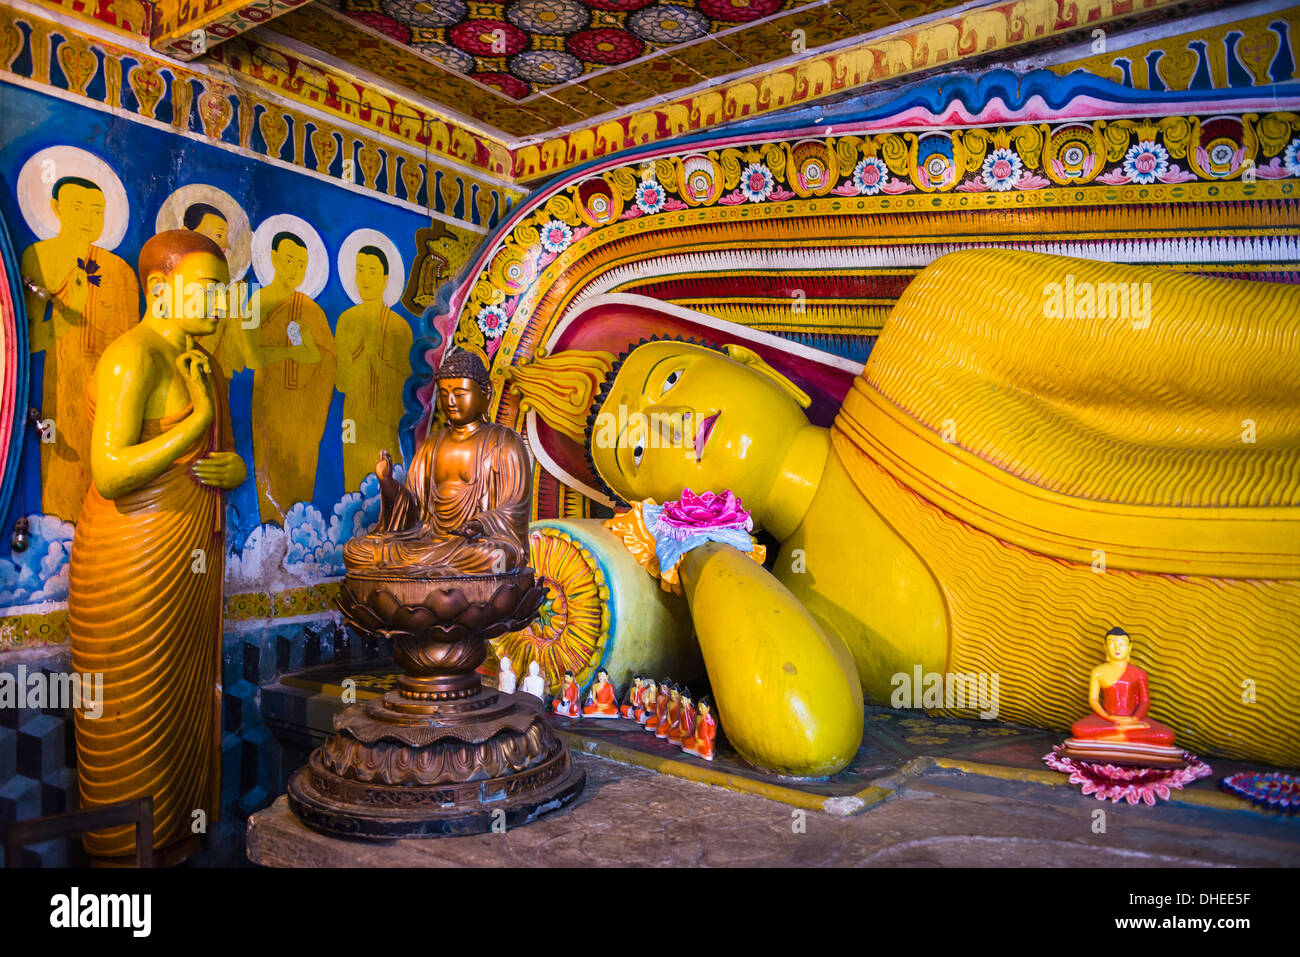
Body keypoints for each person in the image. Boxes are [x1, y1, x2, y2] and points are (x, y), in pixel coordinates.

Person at [68, 229, 245, 862]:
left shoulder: (206, 366)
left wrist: (231, 468)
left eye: (225, 292)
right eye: (207, 290)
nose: (220, 304)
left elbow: (217, 458)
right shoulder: (131, 357)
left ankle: (174, 843)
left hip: (189, 562)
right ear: (160, 290)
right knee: (129, 717)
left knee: (183, 711)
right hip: (128, 563)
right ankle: (121, 861)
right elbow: (111, 472)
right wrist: (195, 424)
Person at [342, 349, 529, 576]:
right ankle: (434, 573)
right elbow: (413, 512)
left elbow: (513, 508)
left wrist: (479, 524)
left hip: (472, 545)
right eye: (444, 393)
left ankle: (429, 573)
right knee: (356, 551)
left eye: (460, 393)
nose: (450, 401)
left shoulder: (505, 443)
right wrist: (387, 481)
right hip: (427, 541)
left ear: (486, 394)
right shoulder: (432, 445)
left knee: (497, 557)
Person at [22, 175, 140, 521]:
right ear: (56, 209)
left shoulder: (120, 271)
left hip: (112, 399)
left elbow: (133, 350)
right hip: (61, 391)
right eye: (78, 208)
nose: (88, 219)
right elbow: (24, 341)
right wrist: (65, 315)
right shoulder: (40, 256)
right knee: (60, 466)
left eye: (97, 211)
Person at [237, 231, 336, 523]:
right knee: (269, 465)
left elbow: (324, 357)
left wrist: (307, 350)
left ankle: (298, 532)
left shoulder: (312, 310)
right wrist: (290, 352)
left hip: (303, 413)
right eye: (289, 260)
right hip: (269, 403)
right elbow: (253, 356)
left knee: (301, 468)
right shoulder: (256, 303)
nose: (294, 269)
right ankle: (269, 526)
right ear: (274, 259)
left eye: (301, 265)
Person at [335, 245, 413, 491]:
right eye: (360, 270)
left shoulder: (399, 328)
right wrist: (362, 355)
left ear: (385, 279)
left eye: (371, 271)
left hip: (387, 423)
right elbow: (342, 382)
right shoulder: (347, 320)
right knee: (353, 486)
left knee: (390, 484)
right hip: (354, 423)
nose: (365, 278)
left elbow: (405, 389)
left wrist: (376, 357)